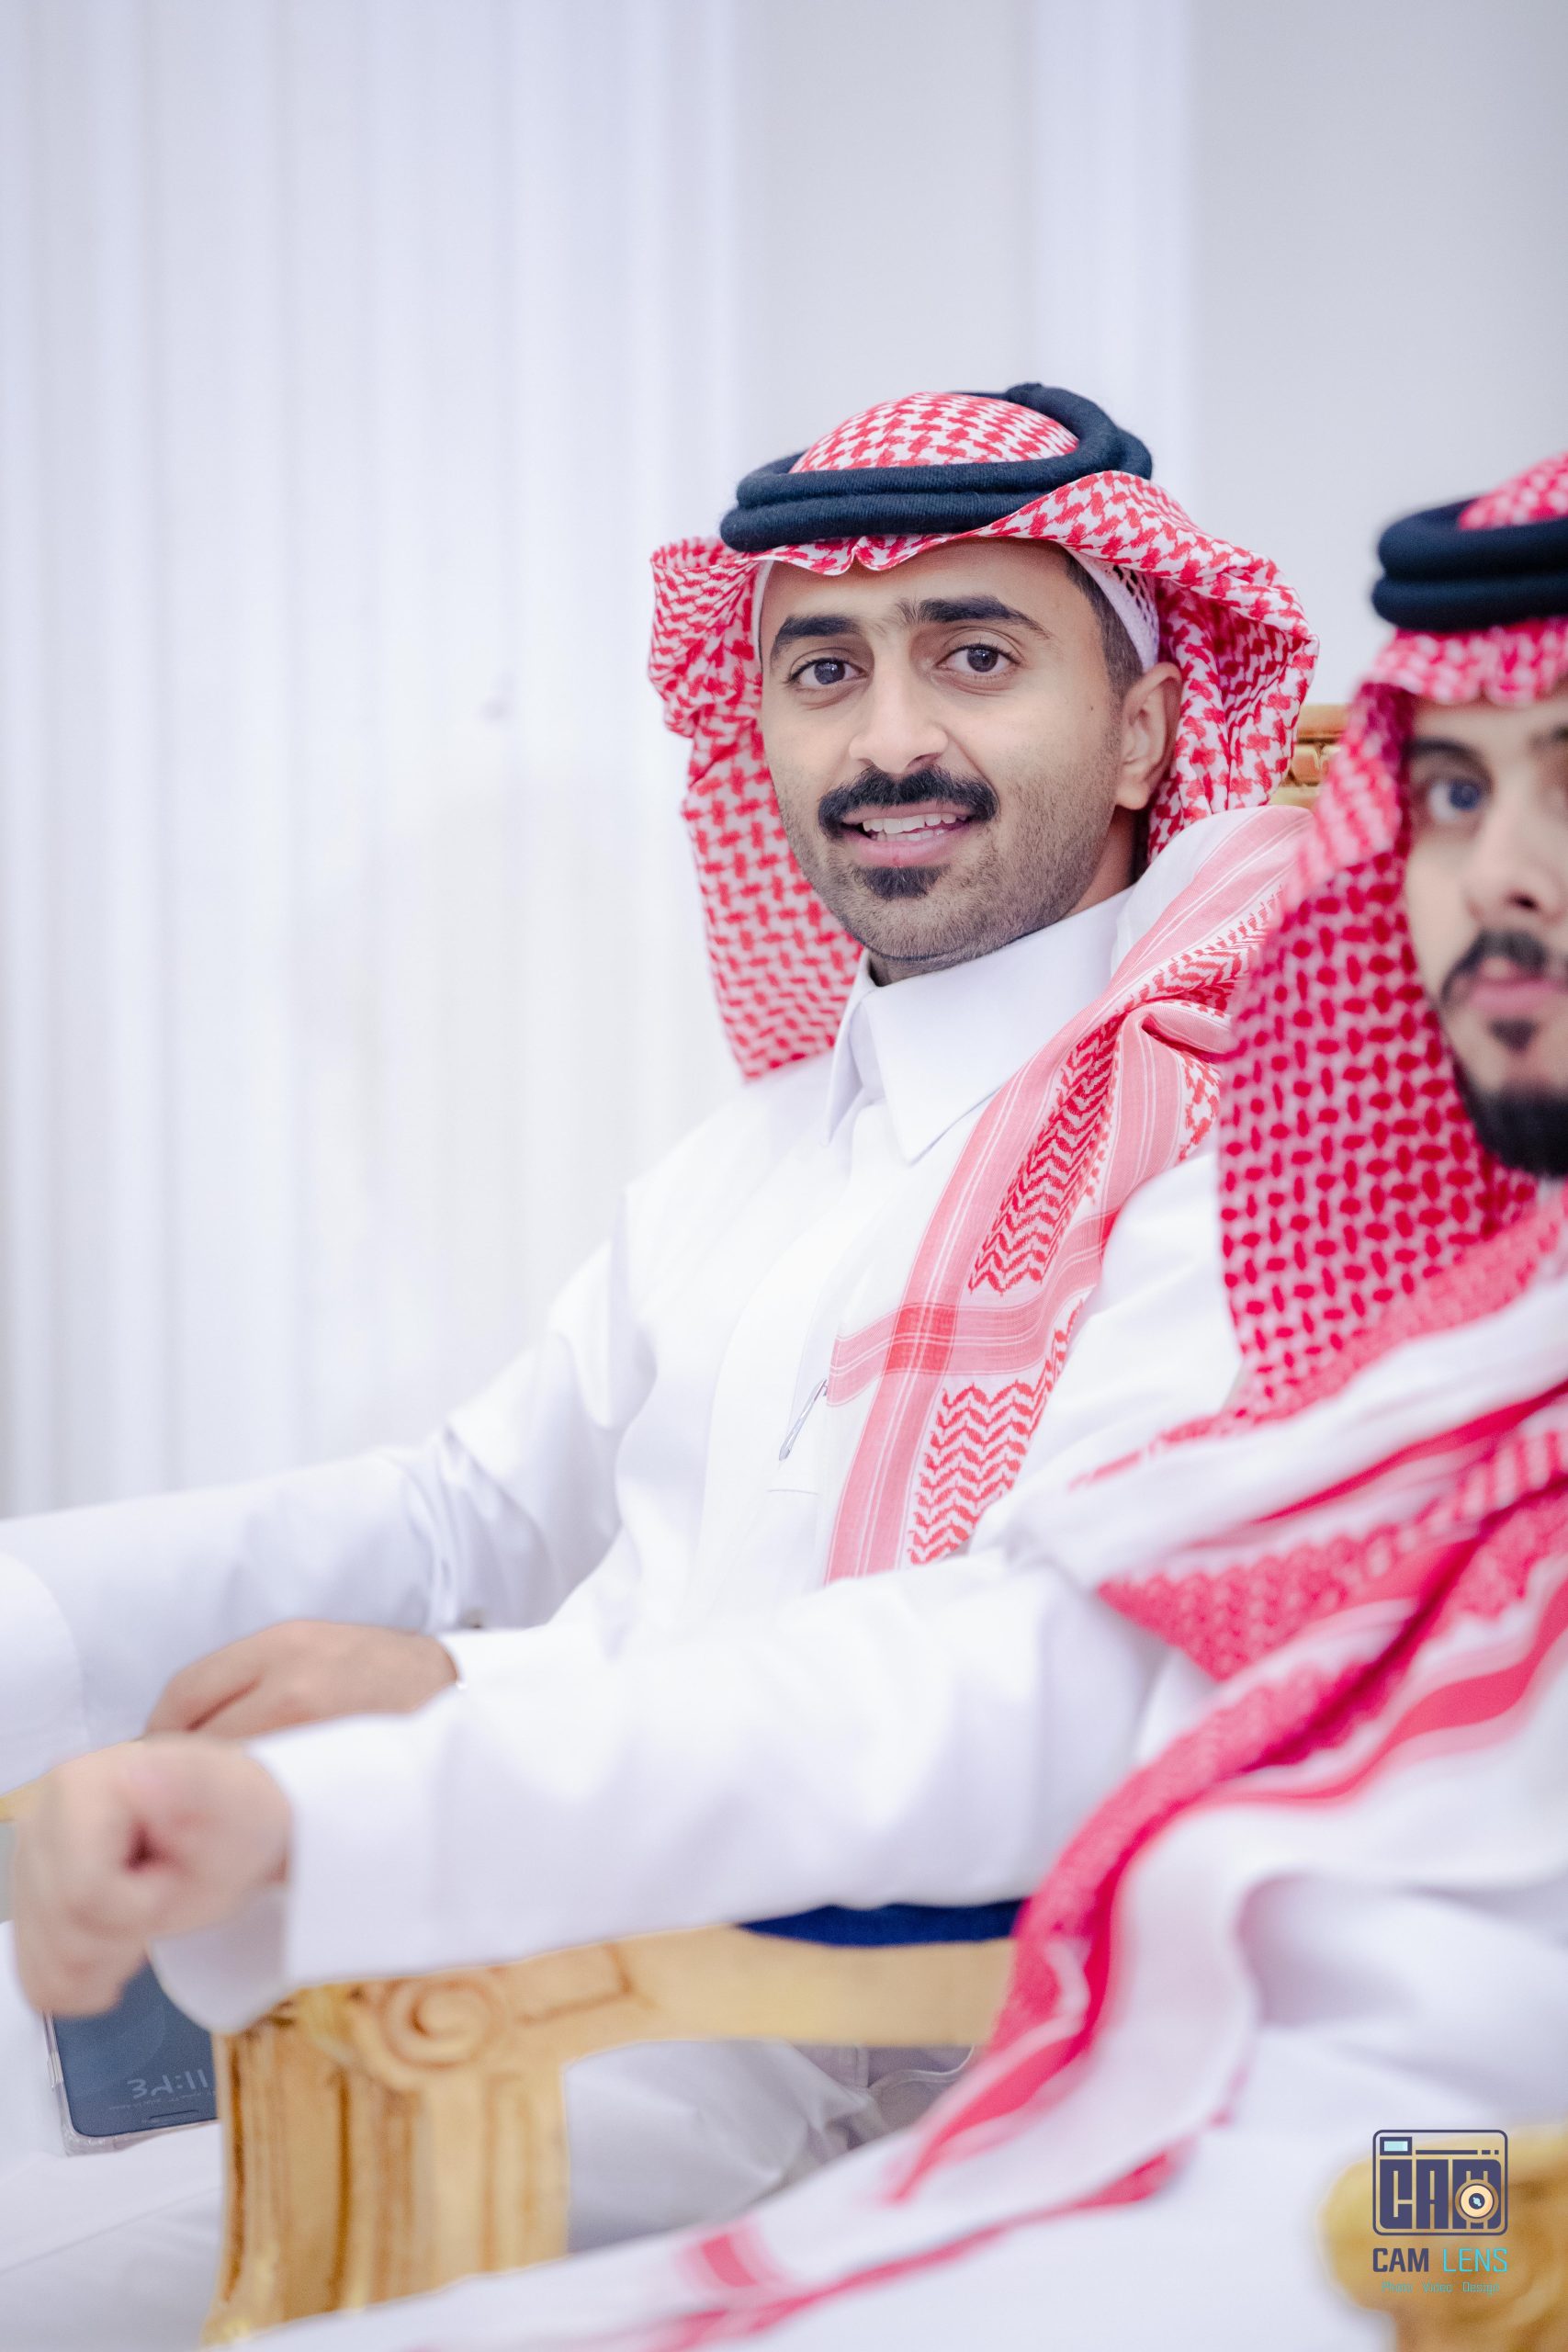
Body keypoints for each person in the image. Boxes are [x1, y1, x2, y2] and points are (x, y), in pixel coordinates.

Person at [19, 449, 1568, 2352]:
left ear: (1150, 724)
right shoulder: (758, 1156)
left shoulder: (1254, 1128)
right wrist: (303, 1782)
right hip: (1161, 2127)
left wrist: (433, 1727)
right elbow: (1033, 1661)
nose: (887, 738)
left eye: (974, 655)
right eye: (823, 668)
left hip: (865, 2043)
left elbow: (1404, 2100)